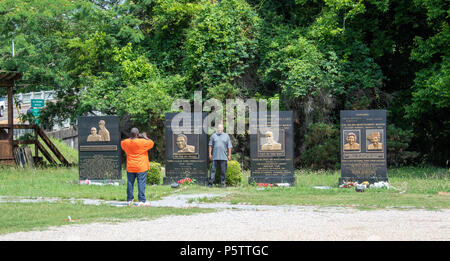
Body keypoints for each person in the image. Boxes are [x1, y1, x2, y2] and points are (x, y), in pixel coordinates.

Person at [121, 127, 154, 206]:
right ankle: (142, 200)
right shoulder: (142, 142)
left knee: (130, 183)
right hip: (141, 166)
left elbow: (122, 143)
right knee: (141, 183)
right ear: (137, 134)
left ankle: (129, 200)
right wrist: (145, 136)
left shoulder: (125, 142)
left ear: (130, 134)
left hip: (130, 166)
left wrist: (132, 137)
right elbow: (151, 143)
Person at [208, 123, 232, 187]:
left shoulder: (226, 136)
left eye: (221, 128)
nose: (219, 129)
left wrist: (229, 155)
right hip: (215, 156)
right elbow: (210, 145)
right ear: (217, 128)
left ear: (223, 128)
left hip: (224, 157)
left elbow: (229, 146)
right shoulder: (213, 135)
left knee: (223, 171)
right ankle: (210, 184)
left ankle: (223, 183)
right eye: (218, 128)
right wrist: (210, 154)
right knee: (213, 171)